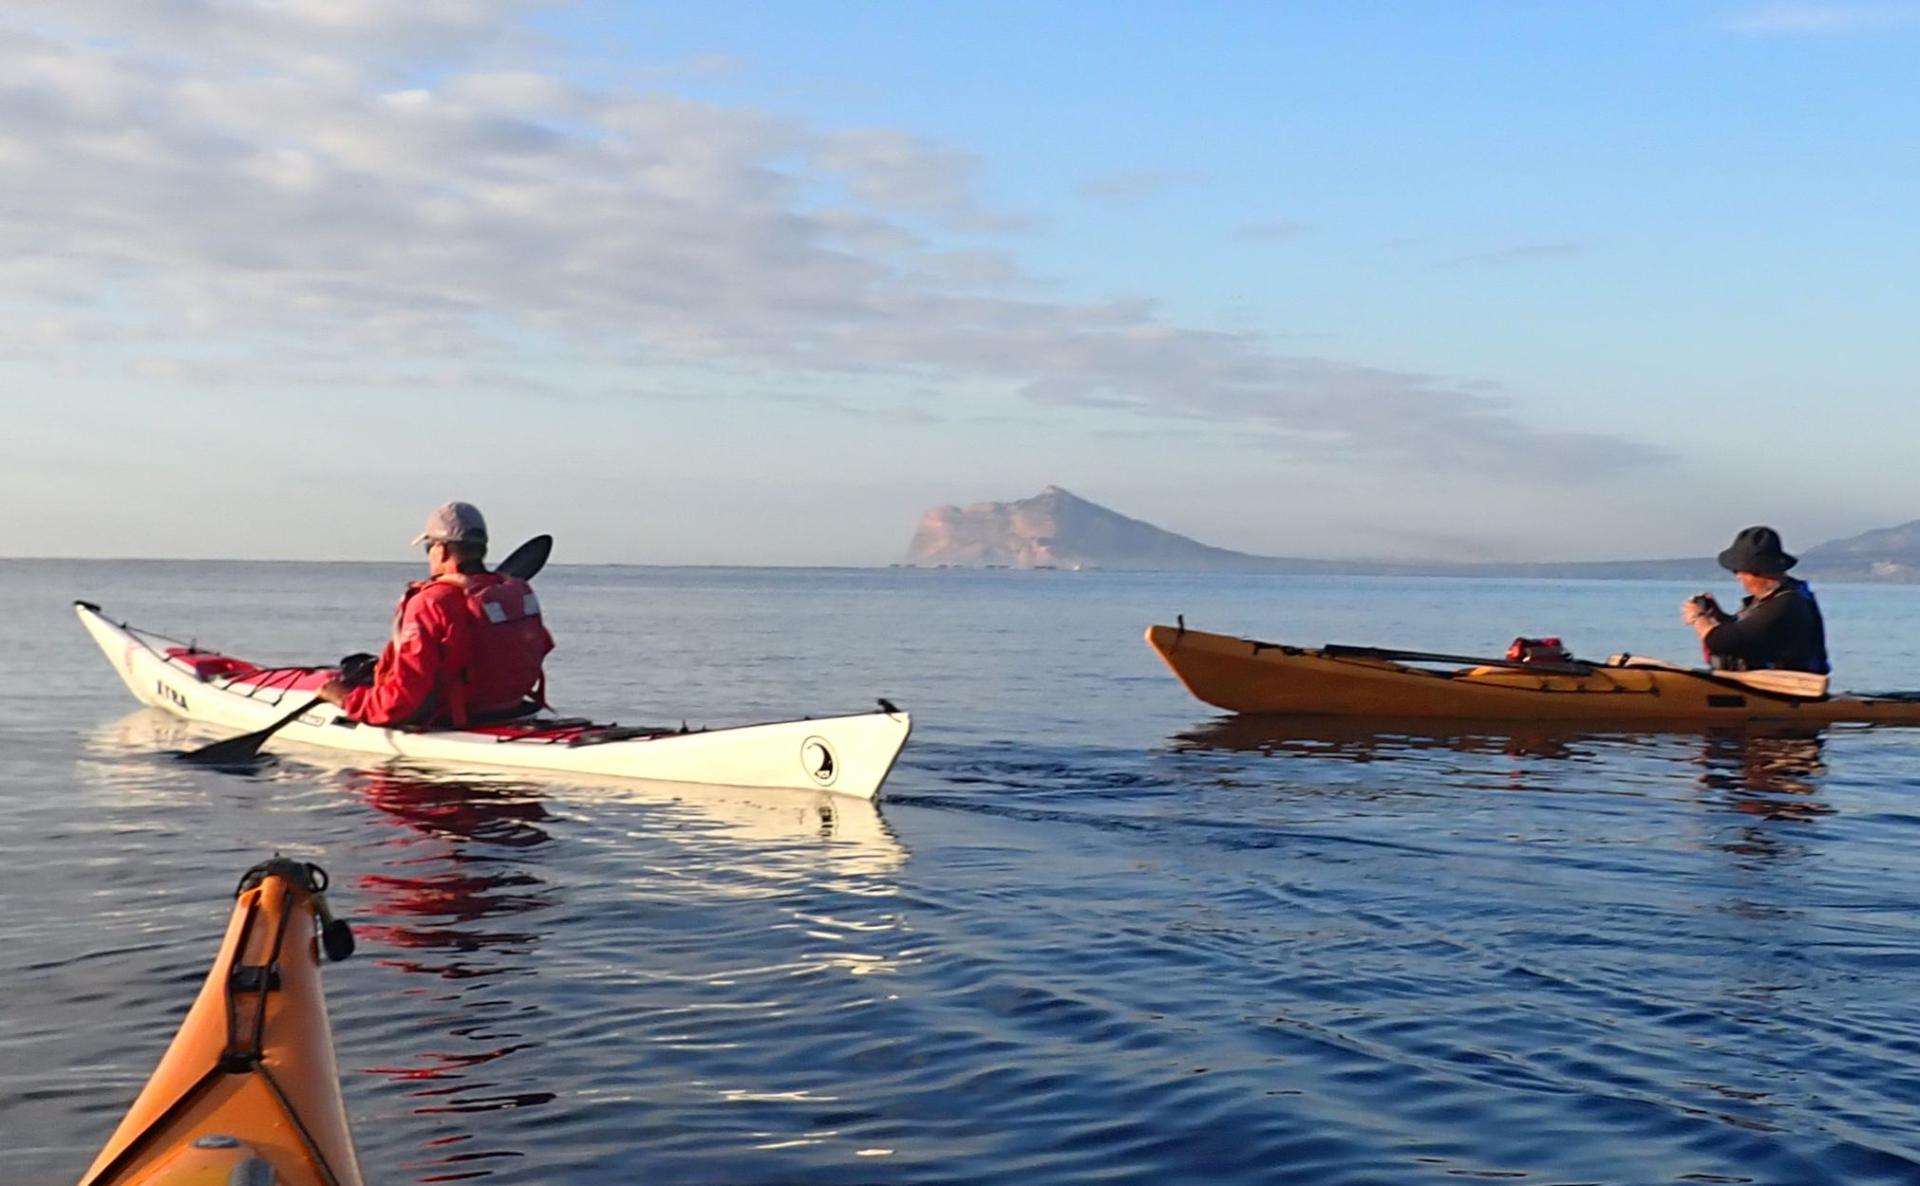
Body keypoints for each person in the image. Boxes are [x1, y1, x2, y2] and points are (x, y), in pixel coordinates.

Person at [317, 502, 554, 727]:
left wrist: (346, 698)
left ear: (440, 550)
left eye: (428, 547)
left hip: (455, 719)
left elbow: (400, 701)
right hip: (510, 709)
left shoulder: (430, 602)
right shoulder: (518, 590)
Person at [1681, 526, 1829, 674]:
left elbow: (1720, 642)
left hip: (1786, 690)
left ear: (1757, 572)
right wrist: (1719, 617)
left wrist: (1698, 618)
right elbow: (1749, 634)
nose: (1737, 577)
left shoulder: (1787, 603)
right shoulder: (1781, 597)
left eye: (1738, 571)